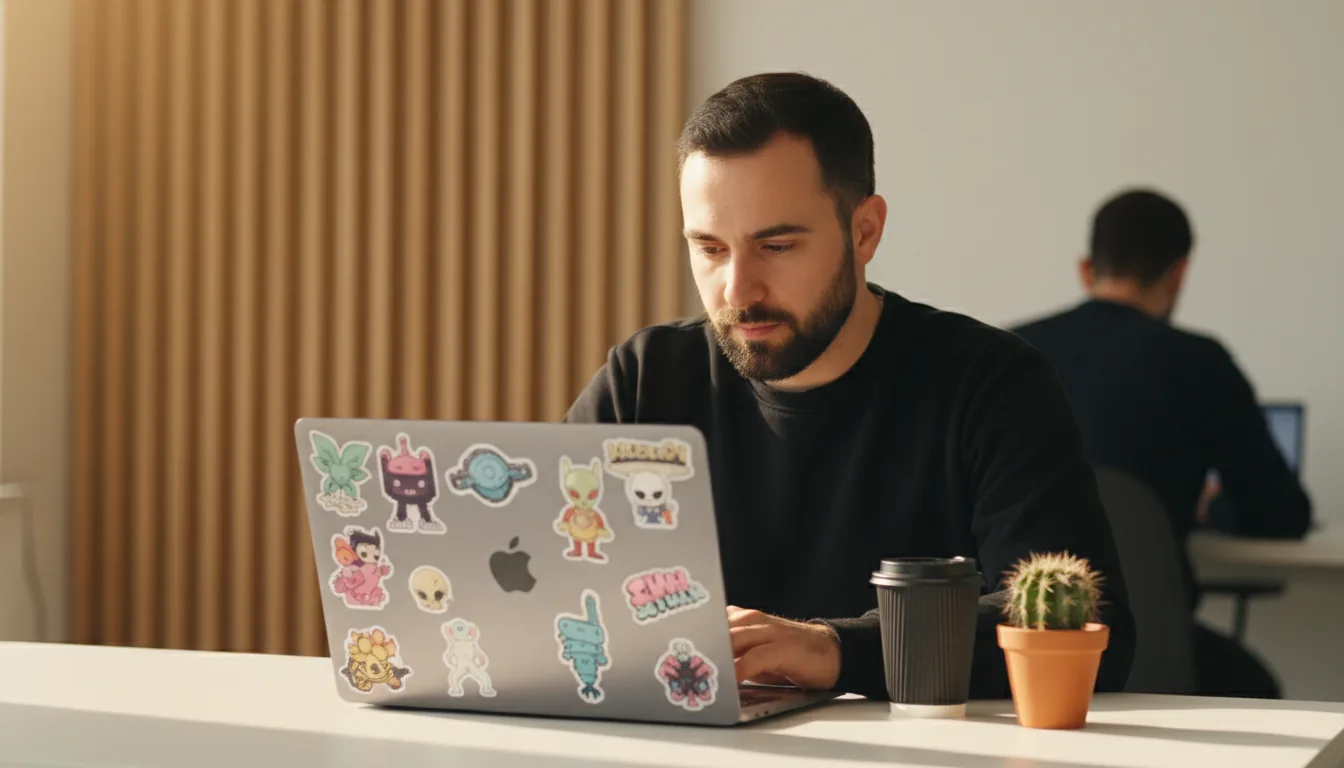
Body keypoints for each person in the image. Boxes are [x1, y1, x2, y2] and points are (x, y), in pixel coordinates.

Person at [563, 71, 1135, 701]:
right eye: (710, 248)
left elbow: (1084, 627)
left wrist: (835, 650)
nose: (738, 290)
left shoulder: (989, 384)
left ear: (864, 231)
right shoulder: (644, 379)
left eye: (776, 245)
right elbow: (541, 593)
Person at [1012, 188, 1312, 698]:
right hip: (1151, 648)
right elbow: (1283, 513)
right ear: (1178, 275)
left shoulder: (1012, 353)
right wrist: (1214, 511)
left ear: (1087, 270)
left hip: (1015, 653)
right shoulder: (1200, 364)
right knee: (1256, 686)